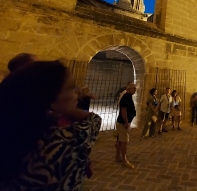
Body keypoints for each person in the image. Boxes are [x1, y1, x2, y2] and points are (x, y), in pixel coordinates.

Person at [0, 60, 101, 190]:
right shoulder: (59, 142)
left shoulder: (14, 132)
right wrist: (67, 109)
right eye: (71, 87)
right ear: (50, 99)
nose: (78, 90)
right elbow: (93, 121)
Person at [115, 83, 136, 168]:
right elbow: (124, 110)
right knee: (124, 142)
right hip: (123, 123)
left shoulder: (128, 96)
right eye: (133, 88)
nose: (135, 90)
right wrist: (126, 122)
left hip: (122, 122)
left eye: (135, 88)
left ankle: (117, 157)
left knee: (120, 141)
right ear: (128, 89)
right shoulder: (127, 96)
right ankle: (124, 160)